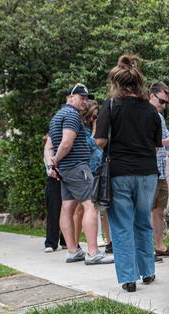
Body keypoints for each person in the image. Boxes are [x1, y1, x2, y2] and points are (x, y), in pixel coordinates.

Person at [95, 54, 162, 292]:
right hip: (147, 173)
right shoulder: (151, 110)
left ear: (116, 84)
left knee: (121, 225)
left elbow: (101, 141)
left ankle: (128, 278)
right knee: (143, 222)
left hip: (119, 172)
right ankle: (148, 271)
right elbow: (156, 143)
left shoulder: (110, 106)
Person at [44, 83, 114, 265]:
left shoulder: (56, 116)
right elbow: (66, 143)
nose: (84, 101)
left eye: (85, 98)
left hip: (65, 170)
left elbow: (49, 146)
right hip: (77, 167)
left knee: (67, 208)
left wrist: (52, 166)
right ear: (70, 97)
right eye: (80, 98)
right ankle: (92, 252)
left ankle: (73, 251)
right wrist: (55, 160)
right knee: (91, 206)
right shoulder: (72, 115)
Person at [71, 100, 113, 253]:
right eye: (94, 117)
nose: (96, 120)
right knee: (81, 209)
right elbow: (89, 145)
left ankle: (110, 242)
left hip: (100, 169)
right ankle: (75, 245)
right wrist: (95, 130)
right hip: (85, 171)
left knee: (105, 207)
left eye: (97, 117)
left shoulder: (99, 127)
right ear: (87, 115)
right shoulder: (81, 128)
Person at [148, 81, 169, 258]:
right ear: (152, 96)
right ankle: (145, 248)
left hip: (161, 170)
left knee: (159, 210)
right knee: (145, 210)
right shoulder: (145, 113)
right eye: (161, 101)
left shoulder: (159, 116)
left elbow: (167, 140)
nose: (163, 105)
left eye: (166, 102)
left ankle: (160, 246)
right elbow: (144, 141)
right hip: (148, 170)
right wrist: (167, 142)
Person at [43, 135, 66, 252]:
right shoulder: (52, 137)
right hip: (54, 176)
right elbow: (47, 152)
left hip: (69, 174)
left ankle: (66, 240)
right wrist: (50, 168)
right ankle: (51, 242)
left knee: (69, 209)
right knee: (53, 209)